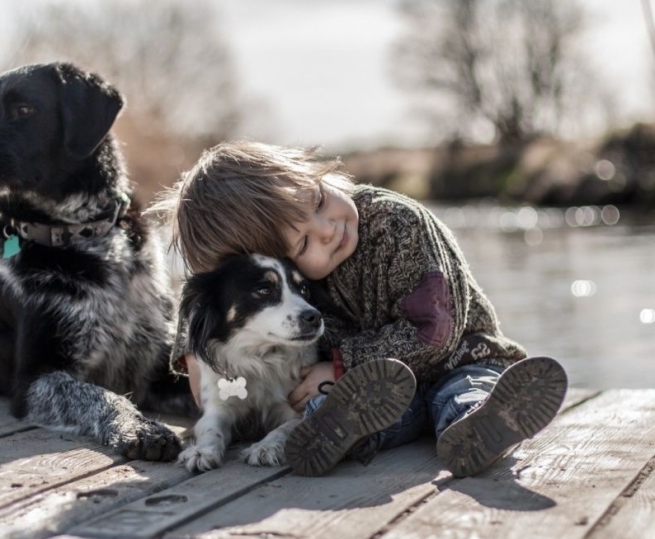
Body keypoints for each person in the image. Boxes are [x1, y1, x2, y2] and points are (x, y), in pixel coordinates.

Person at [150, 141, 568, 478]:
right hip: (383, 387)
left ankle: (482, 425)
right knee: (355, 412)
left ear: (310, 172)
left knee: (461, 393)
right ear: (279, 261)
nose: (328, 230)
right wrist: (191, 352)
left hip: (460, 359)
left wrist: (339, 364)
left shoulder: (396, 222)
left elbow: (435, 331)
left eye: (316, 201)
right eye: (302, 245)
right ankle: (334, 438)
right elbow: (211, 292)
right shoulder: (293, 281)